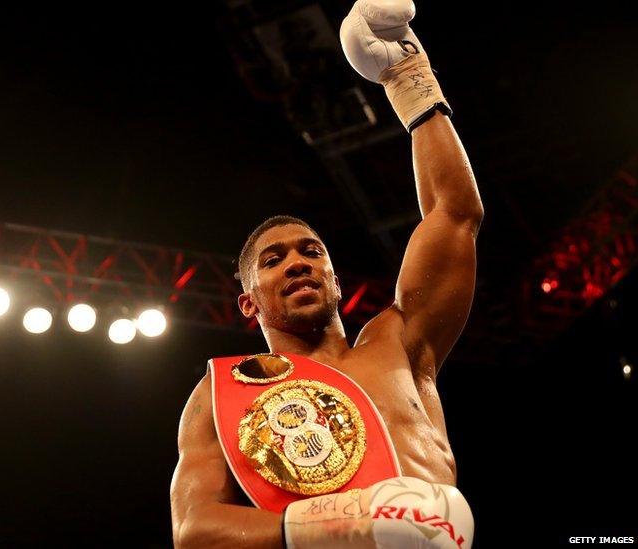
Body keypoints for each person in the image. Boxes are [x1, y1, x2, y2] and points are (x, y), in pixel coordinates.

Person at [170, 1, 481, 547]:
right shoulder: (216, 395)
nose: (297, 262)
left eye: (312, 252)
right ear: (249, 303)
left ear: (336, 280)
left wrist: (409, 78)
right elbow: (195, 529)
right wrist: (353, 524)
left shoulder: (399, 345)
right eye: (274, 260)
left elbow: (453, 214)